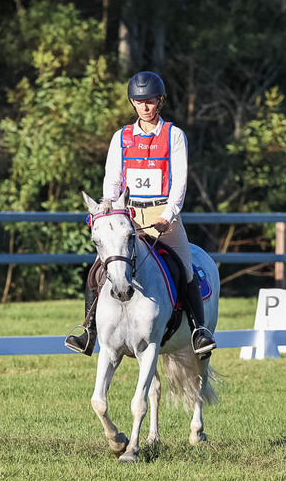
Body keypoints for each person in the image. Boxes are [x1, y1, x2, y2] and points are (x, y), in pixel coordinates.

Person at [65, 71, 217, 357]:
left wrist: (168, 215)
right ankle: (88, 332)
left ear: (160, 101)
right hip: (128, 217)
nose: (145, 107)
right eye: (139, 102)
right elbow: (112, 180)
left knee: (185, 269)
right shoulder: (121, 138)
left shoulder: (174, 136)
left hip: (162, 214)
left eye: (150, 102)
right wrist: (109, 209)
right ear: (132, 103)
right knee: (98, 270)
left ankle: (198, 331)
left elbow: (179, 182)